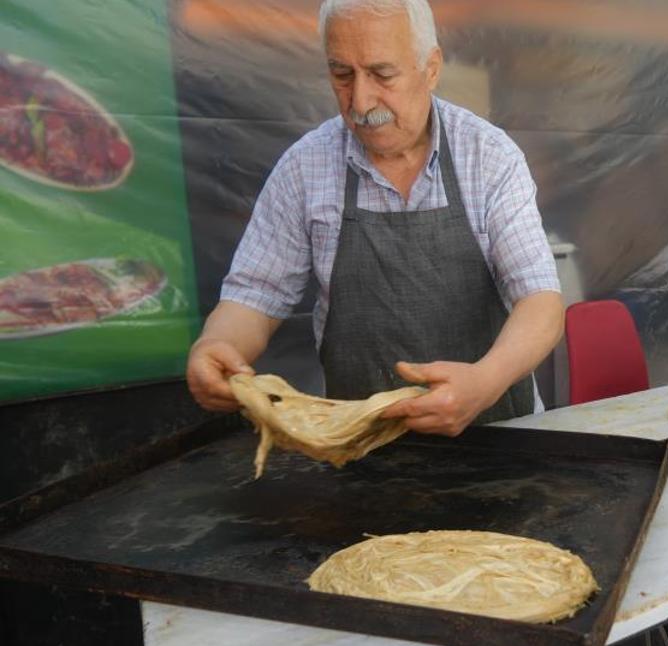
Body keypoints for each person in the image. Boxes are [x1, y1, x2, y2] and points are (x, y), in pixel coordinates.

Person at [185, 0, 563, 436]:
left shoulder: (488, 157)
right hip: (360, 442)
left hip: (501, 435)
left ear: (431, 68)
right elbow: (254, 295)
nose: (361, 101)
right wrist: (218, 345)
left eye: (383, 74)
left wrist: (484, 382)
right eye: (342, 74)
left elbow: (541, 302)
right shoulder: (306, 167)